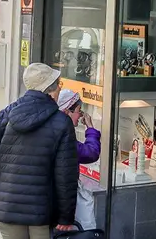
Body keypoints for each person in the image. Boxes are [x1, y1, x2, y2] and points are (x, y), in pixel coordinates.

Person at [0, 63, 79, 239]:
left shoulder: (5, 116)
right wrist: (66, 216)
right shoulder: (62, 123)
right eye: (58, 85)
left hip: (7, 208)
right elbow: (66, 175)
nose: (59, 89)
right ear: (50, 90)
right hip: (42, 211)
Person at [57, 89, 101, 231]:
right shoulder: (63, 135)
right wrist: (90, 128)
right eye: (78, 111)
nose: (80, 115)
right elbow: (90, 153)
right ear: (67, 111)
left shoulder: (55, 129)